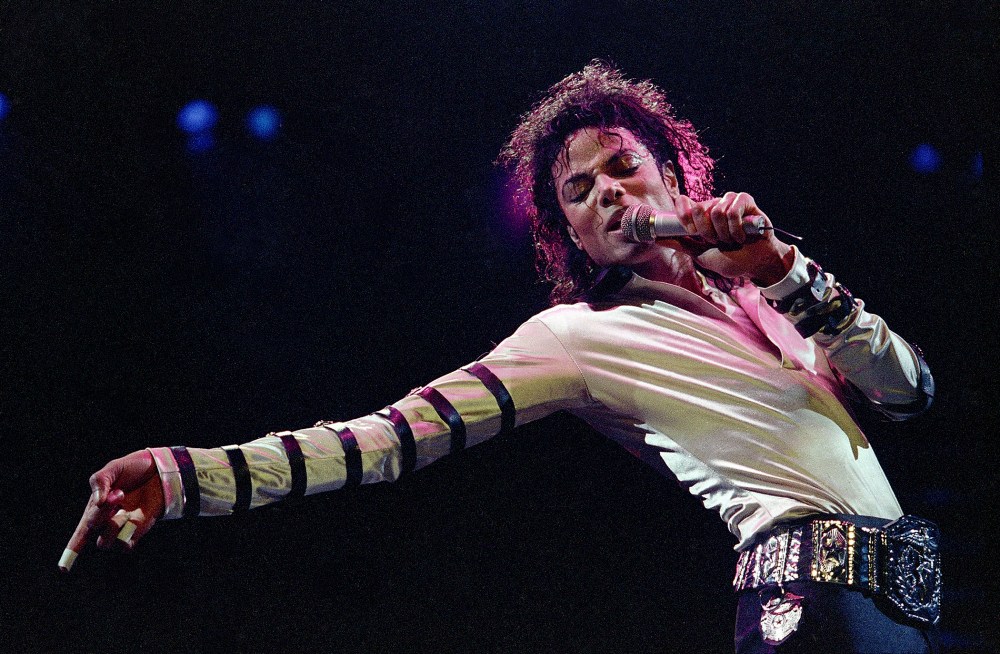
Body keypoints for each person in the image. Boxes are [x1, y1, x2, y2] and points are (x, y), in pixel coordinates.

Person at [63, 61, 940, 652]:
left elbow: (907, 393)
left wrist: (784, 271)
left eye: (622, 167)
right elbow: (389, 439)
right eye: (579, 193)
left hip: (903, 607)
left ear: (672, 173)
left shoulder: (762, 284)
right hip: (809, 608)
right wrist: (184, 476)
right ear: (572, 236)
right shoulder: (577, 338)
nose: (608, 195)